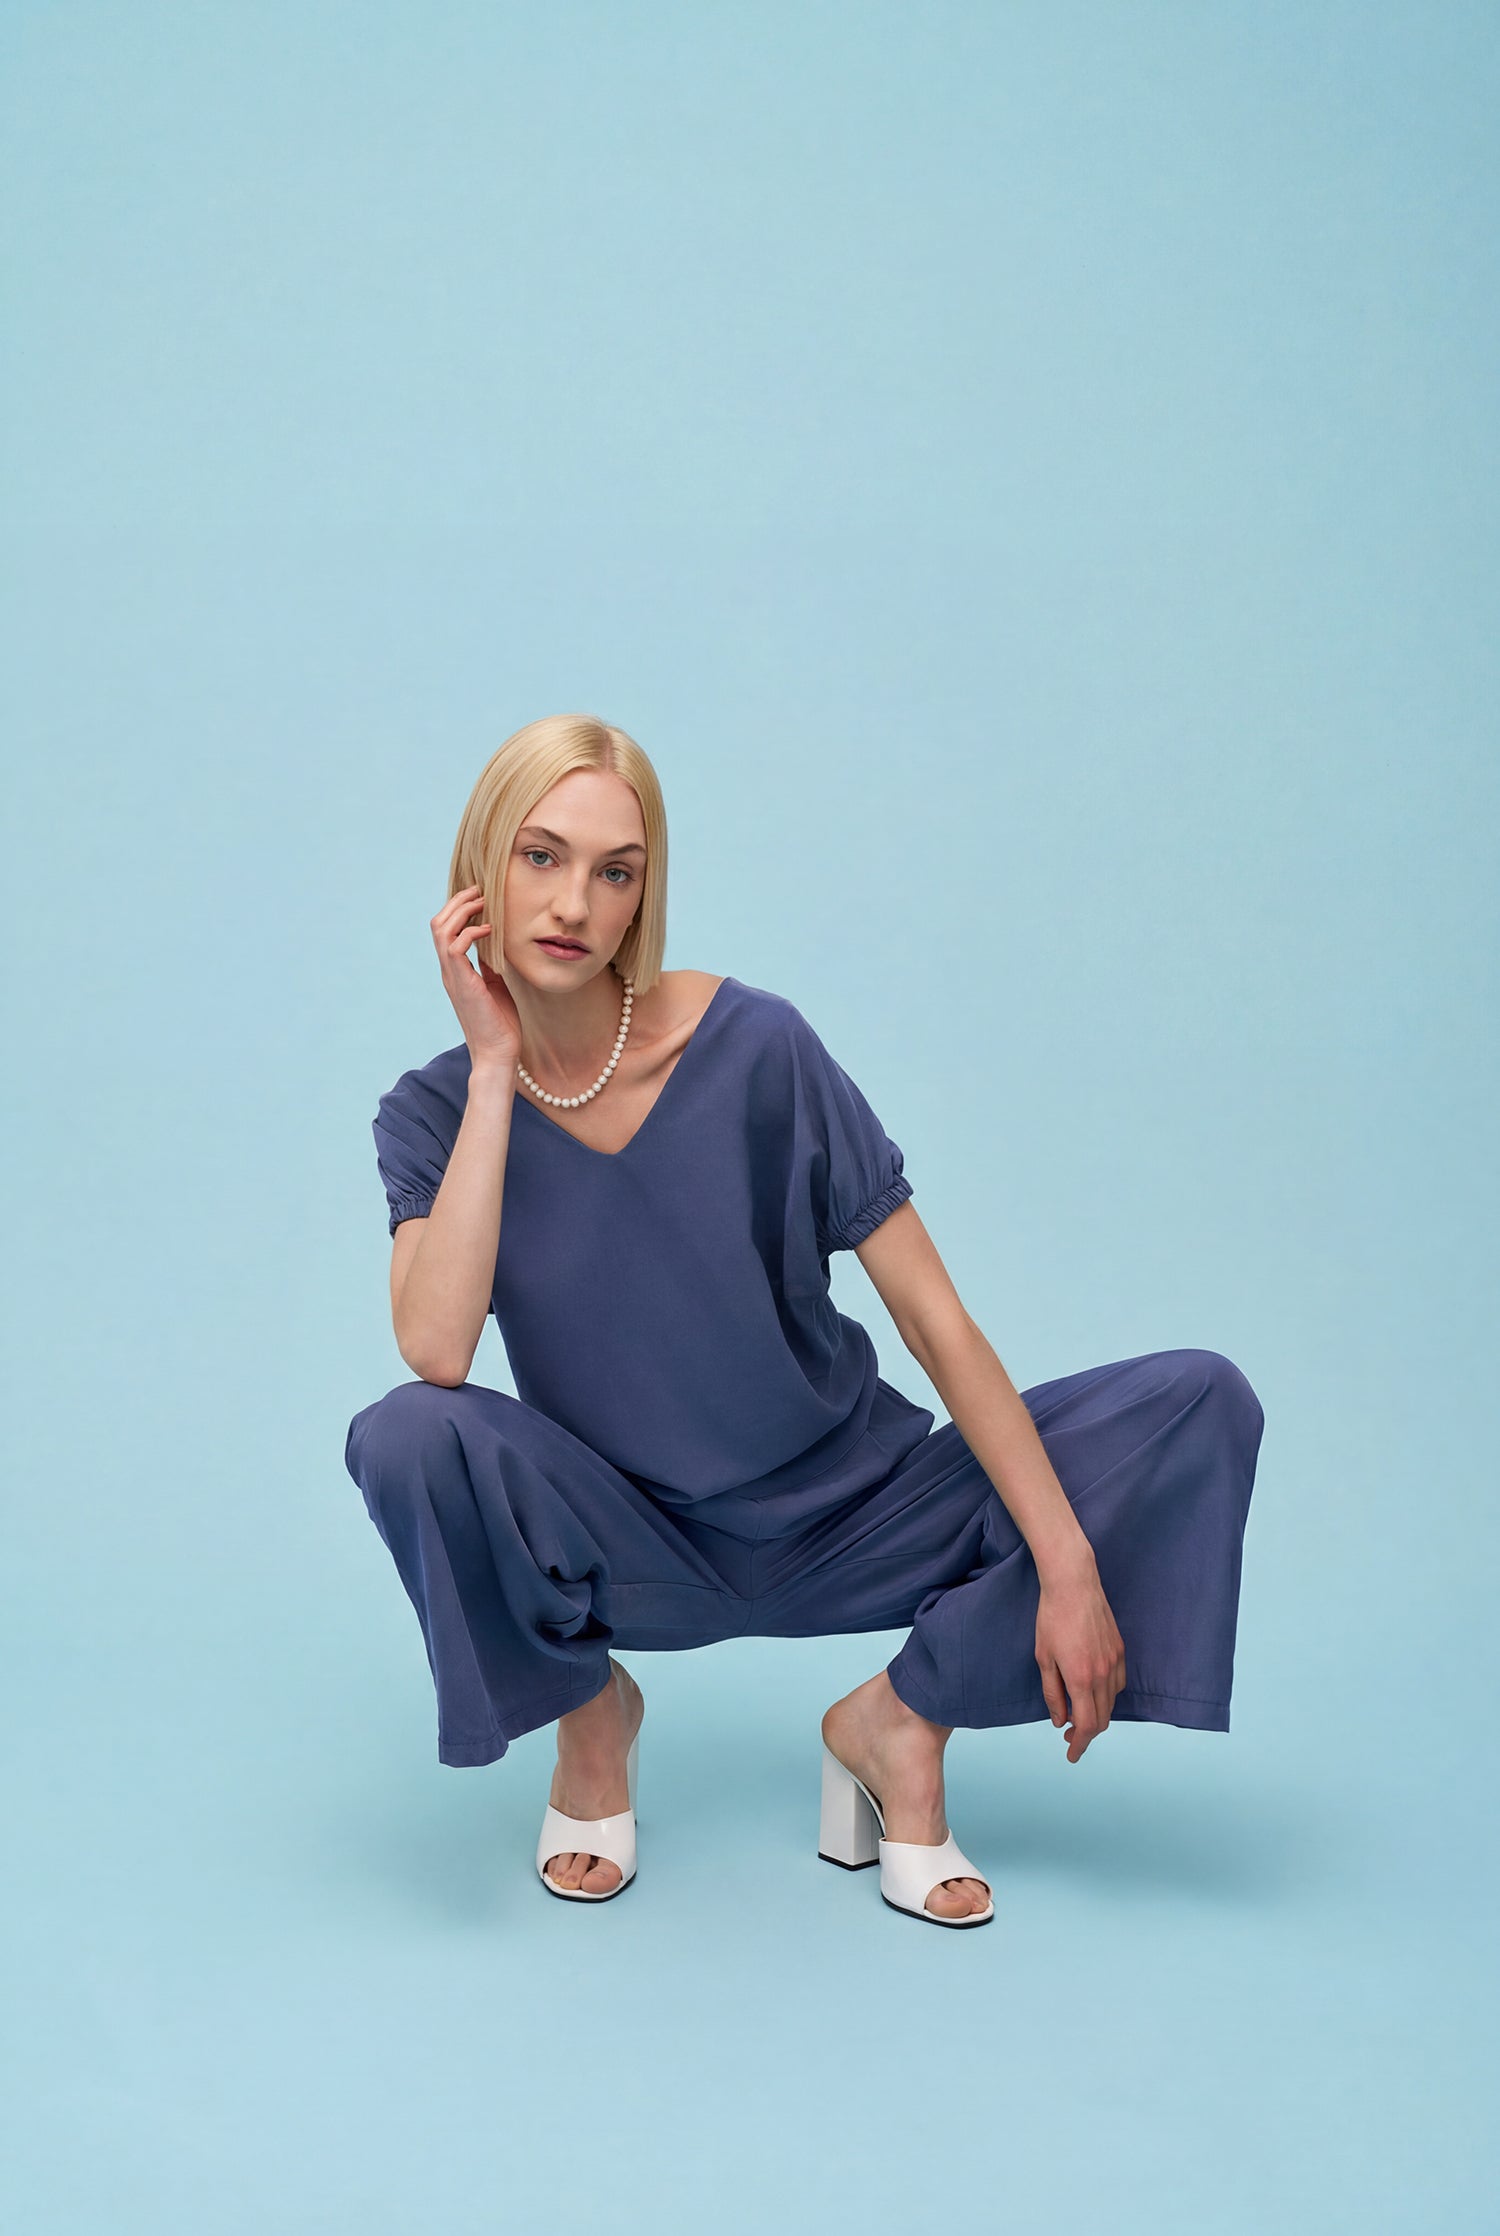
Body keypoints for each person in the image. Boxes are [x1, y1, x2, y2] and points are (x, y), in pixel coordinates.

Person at [344, 713, 1265, 1930]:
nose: (573, 902)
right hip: (632, 1546)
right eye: (541, 856)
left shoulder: (756, 1047)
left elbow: (933, 1318)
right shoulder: (438, 1112)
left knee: (1198, 1402)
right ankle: (590, 1719)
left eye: (616, 872)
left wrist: (1070, 1562)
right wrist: (495, 1066)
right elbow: (437, 1350)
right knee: (407, 1432)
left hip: (856, 1513)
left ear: (643, 896)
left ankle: (899, 1724)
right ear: (481, 869)